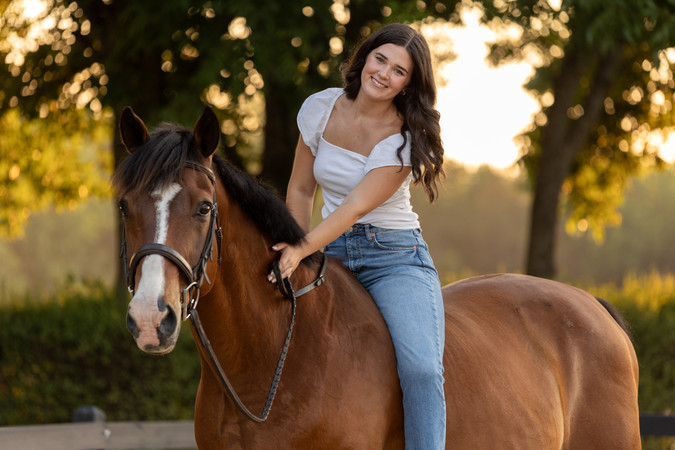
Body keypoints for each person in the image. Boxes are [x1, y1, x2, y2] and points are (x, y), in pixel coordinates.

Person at [268, 23, 446, 449]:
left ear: (409, 84)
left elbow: (354, 208)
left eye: (399, 71)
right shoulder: (320, 108)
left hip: (394, 259)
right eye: (380, 59)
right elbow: (300, 189)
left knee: (421, 369)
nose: (384, 74)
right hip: (330, 253)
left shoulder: (406, 139)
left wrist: (301, 248)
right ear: (365, 57)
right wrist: (297, 246)